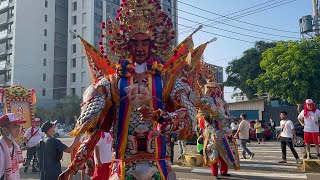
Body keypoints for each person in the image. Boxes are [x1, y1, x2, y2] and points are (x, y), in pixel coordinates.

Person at [60, 0, 197, 179]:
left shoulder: (166, 80)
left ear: (153, 45)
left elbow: (187, 115)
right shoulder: (112, 82)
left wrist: (162, 117)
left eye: (144, 42)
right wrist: (74, 166)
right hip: (123, 167)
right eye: (134, 43)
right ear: (126, 45)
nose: (139, 48)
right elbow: (96, 130)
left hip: (159, 165)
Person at [0, 113, 26, 180]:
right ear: (4, 130)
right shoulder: (1, 150)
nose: (18, 130)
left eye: (18, 126)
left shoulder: (16, 147)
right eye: (14, 127)